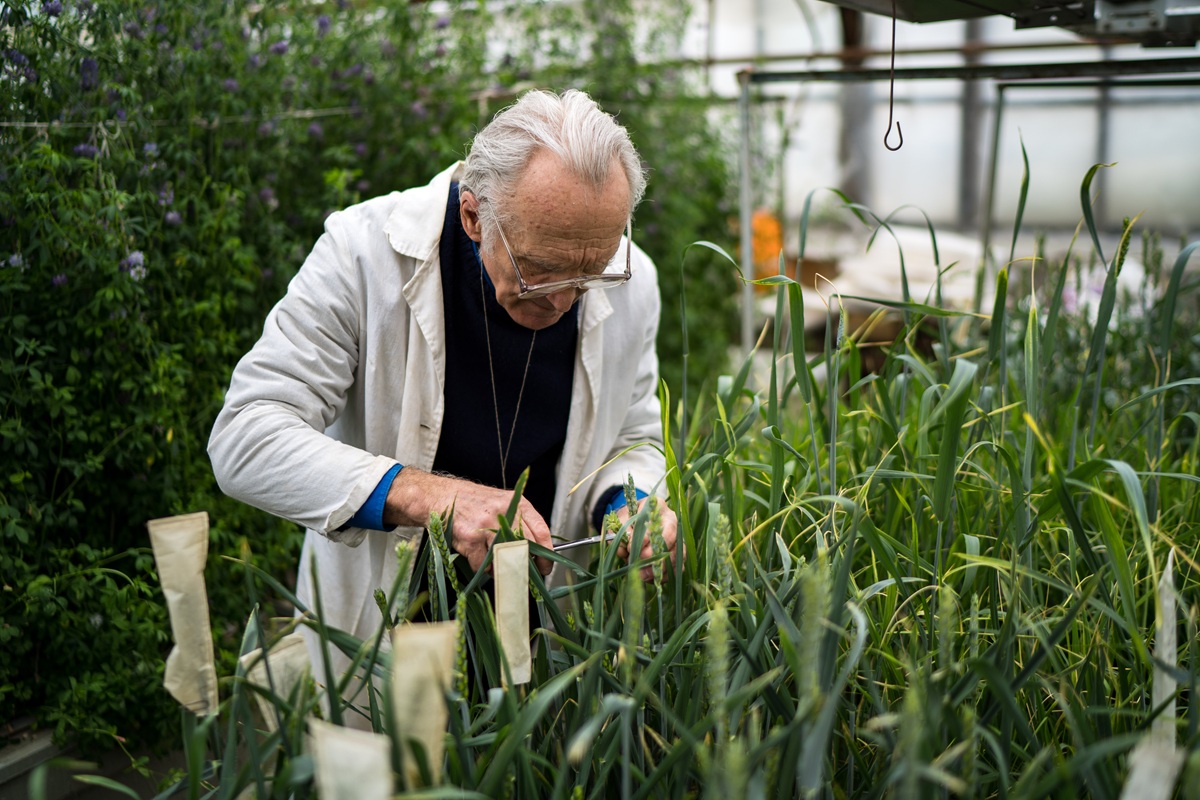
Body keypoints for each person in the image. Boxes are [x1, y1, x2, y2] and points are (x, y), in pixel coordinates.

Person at [208, 89, 680, 676]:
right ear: (473, 216)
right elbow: (245, 437)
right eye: (540, 271)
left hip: (550, 647)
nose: (564, 299)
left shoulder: (632, 281)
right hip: (386, 636)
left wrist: (629, 502)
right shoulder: (362, 255)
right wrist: (434, 498)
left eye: (590, 271)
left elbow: (632, 435)